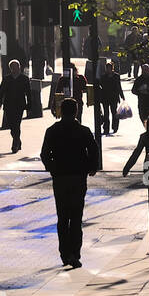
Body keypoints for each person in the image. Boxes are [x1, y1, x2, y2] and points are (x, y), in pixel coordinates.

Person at [40, 98, 98, 268]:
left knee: (63, 217)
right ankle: (75, 252)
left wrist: (52, 168)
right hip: (78, 177)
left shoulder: (52, 130)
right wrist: (91, 167)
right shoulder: (83, 131)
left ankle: (65, 253)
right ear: (76, 112)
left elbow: (44, 153)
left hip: (60, 178)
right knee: (76, 216)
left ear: (61, 111)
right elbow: (93, 150)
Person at [0, 58, 32, 153]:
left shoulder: (24, 79)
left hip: (19, 105)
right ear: (10, 69)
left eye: (16, 67)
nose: (14, 69)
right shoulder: (6, 79)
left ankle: (15, 144)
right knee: (12, 125)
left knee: (17, 124)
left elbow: (29, 93)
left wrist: (29, 105)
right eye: (12, 67)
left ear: (19, 68)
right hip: (8, 105)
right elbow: (1, 91)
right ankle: (18, 140)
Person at [99, 60, 125, 135]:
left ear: (112, 68)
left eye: (109, 68)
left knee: (114, 113)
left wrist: (122, 96)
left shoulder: (116, 76)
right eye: (107, 68)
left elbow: (119, 86)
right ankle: (106, 128)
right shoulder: (103, 76)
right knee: (106, 114)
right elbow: (100, 86)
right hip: (105, 97)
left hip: (114, 97)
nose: (108, 70)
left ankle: (115, 127)